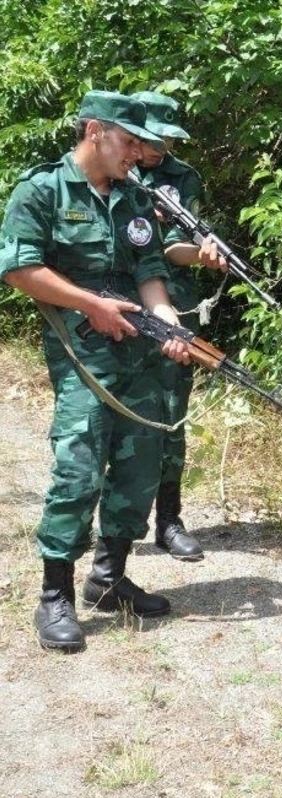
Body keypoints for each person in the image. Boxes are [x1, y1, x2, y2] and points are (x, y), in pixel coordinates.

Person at [0, 90, 193, 652]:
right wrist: (92, 305)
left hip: (140, 356)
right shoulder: (43, 190)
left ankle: (109, 578)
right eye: (129, 141)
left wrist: (170, 323)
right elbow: (18, 268)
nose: (138, 152)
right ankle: (54, 593)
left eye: (141, 143)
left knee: (139, 464)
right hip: (82, 356)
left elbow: (151, 272)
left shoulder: (135, 199)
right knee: (79, 465)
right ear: (94, 131)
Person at [130, 90, 219, 561]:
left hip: (170, 304)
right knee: (112, 414)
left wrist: (207, 257)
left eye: (167, 139)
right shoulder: (110, 171)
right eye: (153, 138)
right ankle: (110, 524)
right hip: (114, 306)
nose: (160, 148)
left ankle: (168, 520)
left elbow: (174, 248)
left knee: (170, 414)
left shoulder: (183, 177)